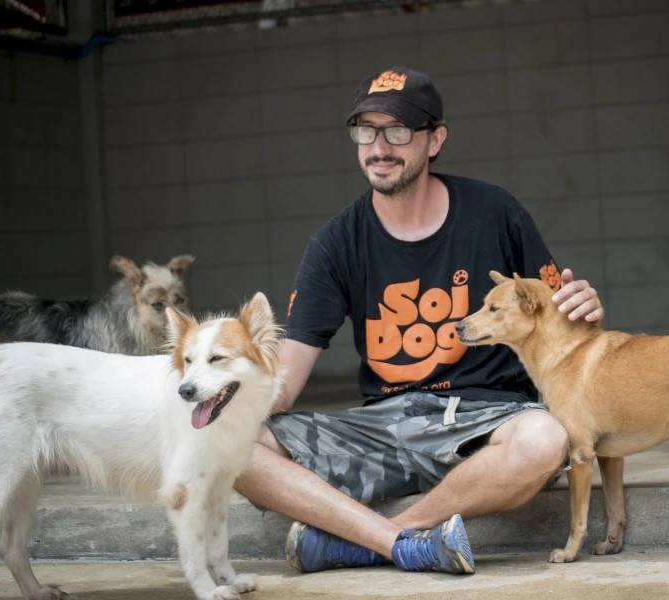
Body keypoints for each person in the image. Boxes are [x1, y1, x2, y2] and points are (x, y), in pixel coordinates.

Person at [234, 66, 604, 575]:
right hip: (385, 425)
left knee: (545, 438)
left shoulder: (494, 212)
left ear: (435, 140)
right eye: (366, 130)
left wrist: (584, 309)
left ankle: (370, 542)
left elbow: (558, 316)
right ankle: (399, 543)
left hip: (487, 417)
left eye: (398, 130)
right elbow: (284, 381)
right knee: (231, 441)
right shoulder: (335, 242)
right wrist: (227, 397)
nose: (379, 147)